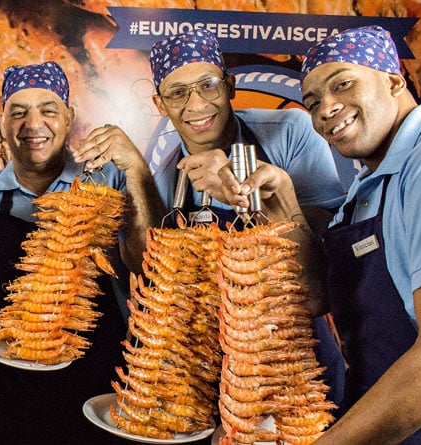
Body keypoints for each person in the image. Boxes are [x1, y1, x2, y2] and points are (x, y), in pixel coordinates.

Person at [222, 25, 421, 444]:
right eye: (312, 103)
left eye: (343, 84)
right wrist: (282, 204)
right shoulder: (368, 184)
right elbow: (318, 297)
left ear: (393, 80)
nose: (326, 110)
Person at [0, 60, 162, 444]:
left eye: (48, 110)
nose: (33, 123)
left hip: (97, 391)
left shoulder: (112, 183)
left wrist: (137, 168)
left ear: (69, 118)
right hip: (7, 396)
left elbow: (152, 265)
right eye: (18, 112)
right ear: (1, 123)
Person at [148, 29, 347, 414]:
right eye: (177, 93)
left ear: (230, 86)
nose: (196, 105)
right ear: (160, 104)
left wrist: (247, 197)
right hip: (217, 363)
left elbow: (328, 234)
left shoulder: (291, 132)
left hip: (297, 349)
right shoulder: (164, 180)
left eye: (208, 86)